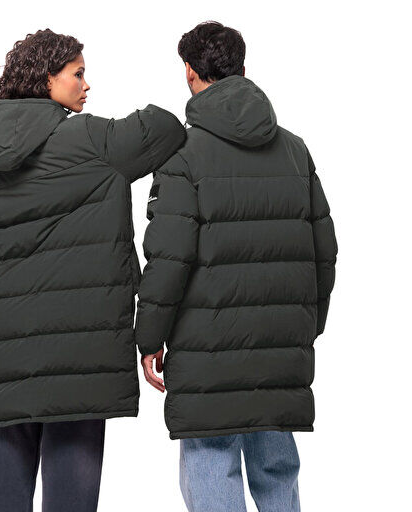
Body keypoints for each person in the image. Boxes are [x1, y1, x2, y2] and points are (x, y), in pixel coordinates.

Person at [0, 29, 184, 512]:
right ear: (47, 78)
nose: (86, 85)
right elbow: (166, 129)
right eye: (77, 74)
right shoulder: (90, 139)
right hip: (83, 354)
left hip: (10, 355)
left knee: (6, 494)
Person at [134, 22, 338, 512]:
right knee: (277, 467)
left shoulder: (182, 156)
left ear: (189, 72)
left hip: (206, 350)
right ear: (243, 69)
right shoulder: (294, 149)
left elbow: (169, 258)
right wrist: (307, 325)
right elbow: (324, 250)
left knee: (209, 460)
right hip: (280, 344)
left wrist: (149, 337)